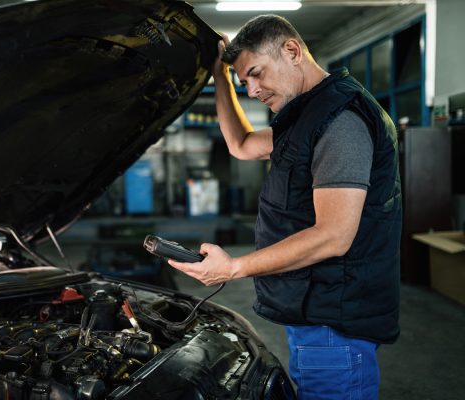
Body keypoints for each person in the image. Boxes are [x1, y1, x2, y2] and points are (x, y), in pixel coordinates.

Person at [168, 15, 401, 399]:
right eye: (245, 82)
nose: (253, 90)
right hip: (313, 309)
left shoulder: (340, 121)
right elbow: (241, 144)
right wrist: (220, 78)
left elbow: (334, 236)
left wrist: (234, 267)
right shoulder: (306, 118)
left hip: (333, 322)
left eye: (257, 73)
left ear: (292, 50)